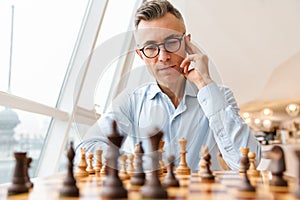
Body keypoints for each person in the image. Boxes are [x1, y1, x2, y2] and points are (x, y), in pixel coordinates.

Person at [76, 0, 261, 170]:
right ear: (141, 55)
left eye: (171, 42)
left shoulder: (219, 96)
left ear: (187, 43)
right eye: (150, 48)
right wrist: (141, 165)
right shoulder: (131, 100)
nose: (163, 56)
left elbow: (245, 163)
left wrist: (204, 84)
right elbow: (88, 147)